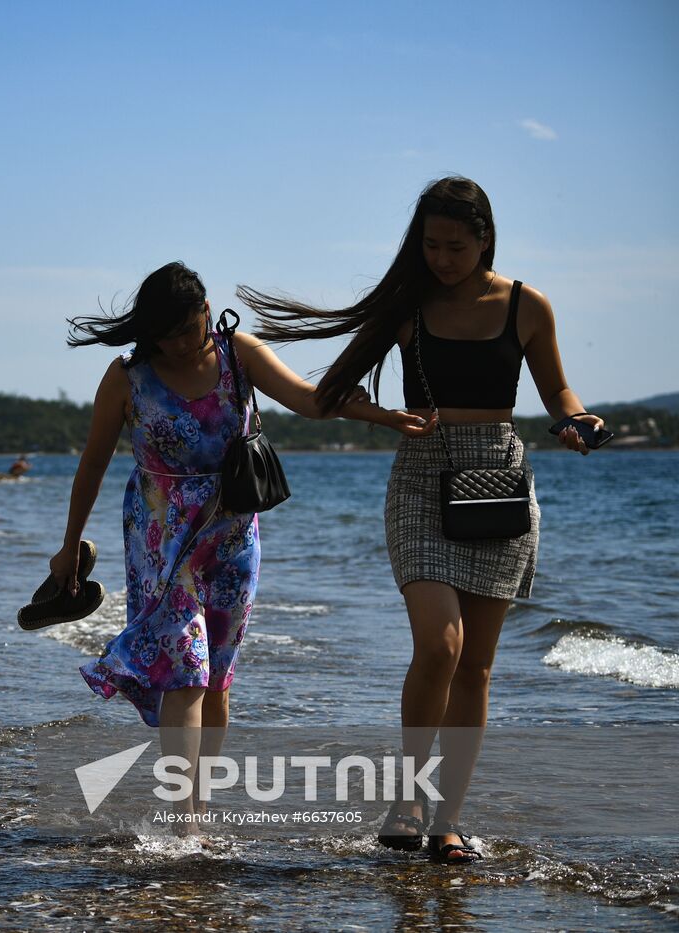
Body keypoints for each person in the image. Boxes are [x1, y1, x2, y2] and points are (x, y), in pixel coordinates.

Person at [238, 176, 606, 864]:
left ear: (485, 239)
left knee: (478, 668)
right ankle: (407, 795)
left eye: (455, 246)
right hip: (420, 479)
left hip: (497, 479)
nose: (441, 257)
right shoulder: (408, 309)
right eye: (431, 245)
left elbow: (556, 389)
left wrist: (577, 420)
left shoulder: (528, 306)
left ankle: (448, 820)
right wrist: (388, 418)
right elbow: (329, 395)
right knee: (440, 644)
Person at [49, 261, 426, 832]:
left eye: (184, 330)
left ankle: (198, 804)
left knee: (218, 677)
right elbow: (93, 462)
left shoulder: (237, 354)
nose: (175, 345)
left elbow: (309, 399)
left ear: (206, 312)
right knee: (185, 669)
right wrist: (69, 543)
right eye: (163, 334)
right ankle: (188, 822)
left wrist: (381, 415)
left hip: (232, 537)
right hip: (161, 539)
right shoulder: (126, 377)